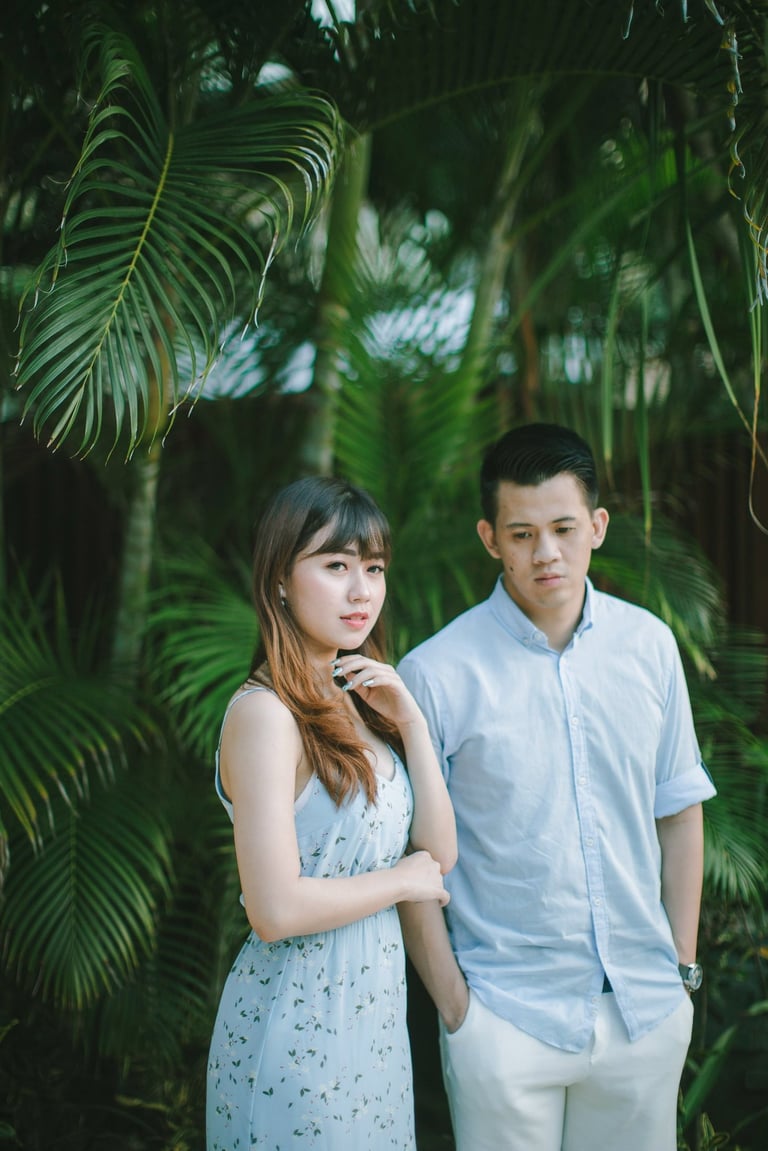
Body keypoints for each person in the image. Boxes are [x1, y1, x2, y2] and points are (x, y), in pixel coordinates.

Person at [397, 422, 716, 1151]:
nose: (546, 553)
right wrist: (456, 1008)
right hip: (505, 1018)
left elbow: (680, 809)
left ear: (597, 526)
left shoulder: (650, 646)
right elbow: (415, 860)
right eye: (522, 533)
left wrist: (682, 972)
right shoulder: (436, 672)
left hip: (643, 1008)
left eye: (565, 527)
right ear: (489, 537)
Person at [205, 475, 456, 1151]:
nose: (361, 590)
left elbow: (439, 853)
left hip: (372, 1025)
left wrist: (414, 727)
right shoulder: (264, 715)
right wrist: (402, 881)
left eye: (372, 568)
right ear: (281, 578)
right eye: (336, 565)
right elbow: (275, 908)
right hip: (296, 1026)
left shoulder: (363, 697)